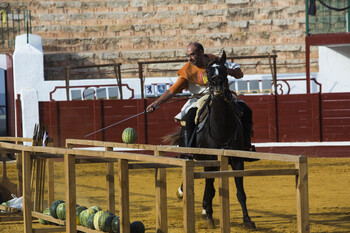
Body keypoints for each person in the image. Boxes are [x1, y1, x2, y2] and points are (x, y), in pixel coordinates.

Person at [146, 42, 254, 150]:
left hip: (224, 93)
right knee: (189, 117)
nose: (190, 59)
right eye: (188, 56)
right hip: (199, 98)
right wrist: (156, 103)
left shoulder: (215, 60)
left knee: (247, 111)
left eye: (192, 55)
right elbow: (172, 91)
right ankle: (187, 152)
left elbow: (239, 74)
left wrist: (225, 70)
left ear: (201, 52)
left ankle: (246, 145)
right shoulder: (187, 70)